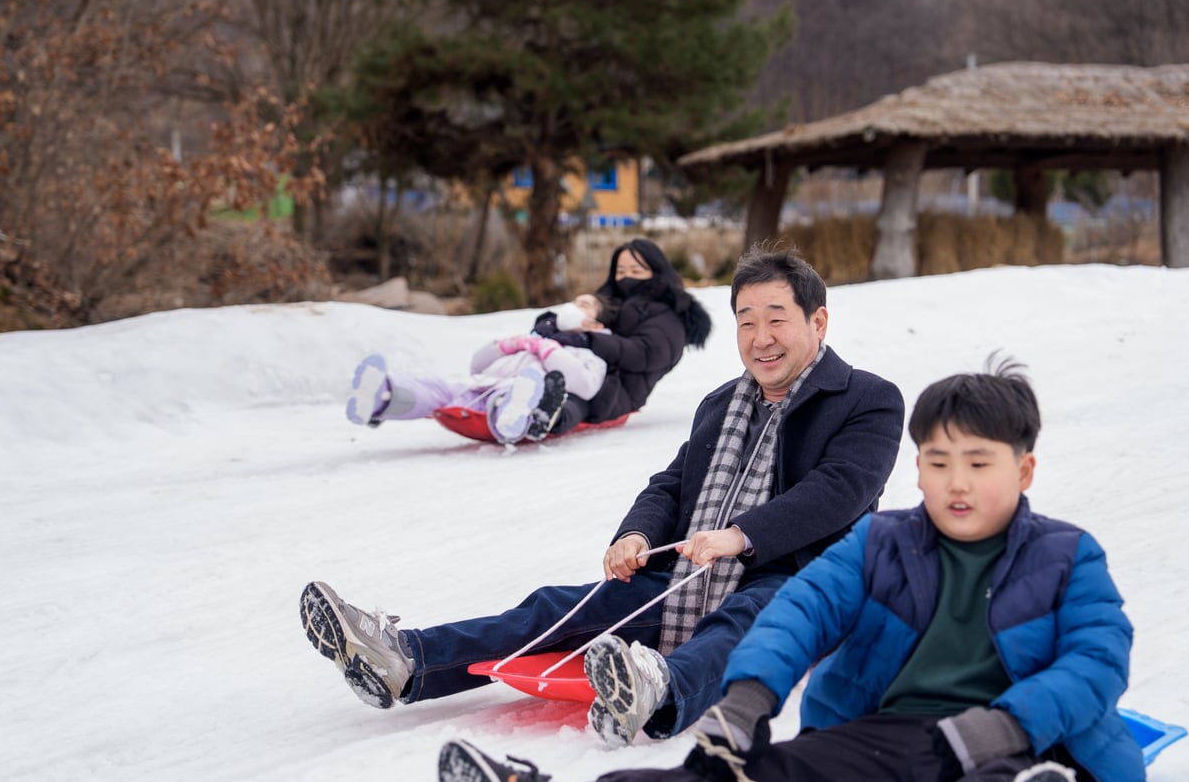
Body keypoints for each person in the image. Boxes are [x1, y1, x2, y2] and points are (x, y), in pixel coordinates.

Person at [436, 358, 1157, 782]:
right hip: (879, 737)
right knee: (738, 779)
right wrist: (748, 696)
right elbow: (801, 608)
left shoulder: (1068, 554)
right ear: (918, 469)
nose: (955, 482)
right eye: (938, 462)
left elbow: (1097, 659)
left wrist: (1005, 722)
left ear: (1023, 469)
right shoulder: (882, 540)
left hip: (1013, 738)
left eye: (978, 463)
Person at [300, 245, 905, 748]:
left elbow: (838, 492)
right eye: (747, 321)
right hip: (689, 569)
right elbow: (671, 484)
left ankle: (657, 687)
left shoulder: (868, 399)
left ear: (817, 322)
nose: (761, 337)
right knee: (556, 607)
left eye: (777, 318)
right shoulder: (723, 402)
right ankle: (407, 659)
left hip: (800, 578)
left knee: (743, 619)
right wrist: (635, 536)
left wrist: (740, 537)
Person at [347, 238, 710, 443]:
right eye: (621, 270)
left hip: (616, 391)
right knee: (465, 387)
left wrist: (585, 339)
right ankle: (388, 395)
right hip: (568, 367)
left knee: (571, 400)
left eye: (637, 270)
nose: (627, 277)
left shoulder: (669, 314)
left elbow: (645, 354)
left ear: (656, 272)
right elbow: (565, 316)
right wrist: (550, 328)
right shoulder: (606, 302)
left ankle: (537, 416)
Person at [345, 293, 617, 444]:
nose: (573, 307)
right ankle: (382, 396)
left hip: (515, 393)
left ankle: (514, 416)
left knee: (517, 392)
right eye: (573, 302)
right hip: (482, 385)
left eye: (584, 305)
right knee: (442, 391)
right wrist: (506, 346)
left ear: (595, 323)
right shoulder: (533, 338)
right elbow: (476, 365)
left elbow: (585, 385)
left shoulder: (588, 353)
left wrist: (550, 352)